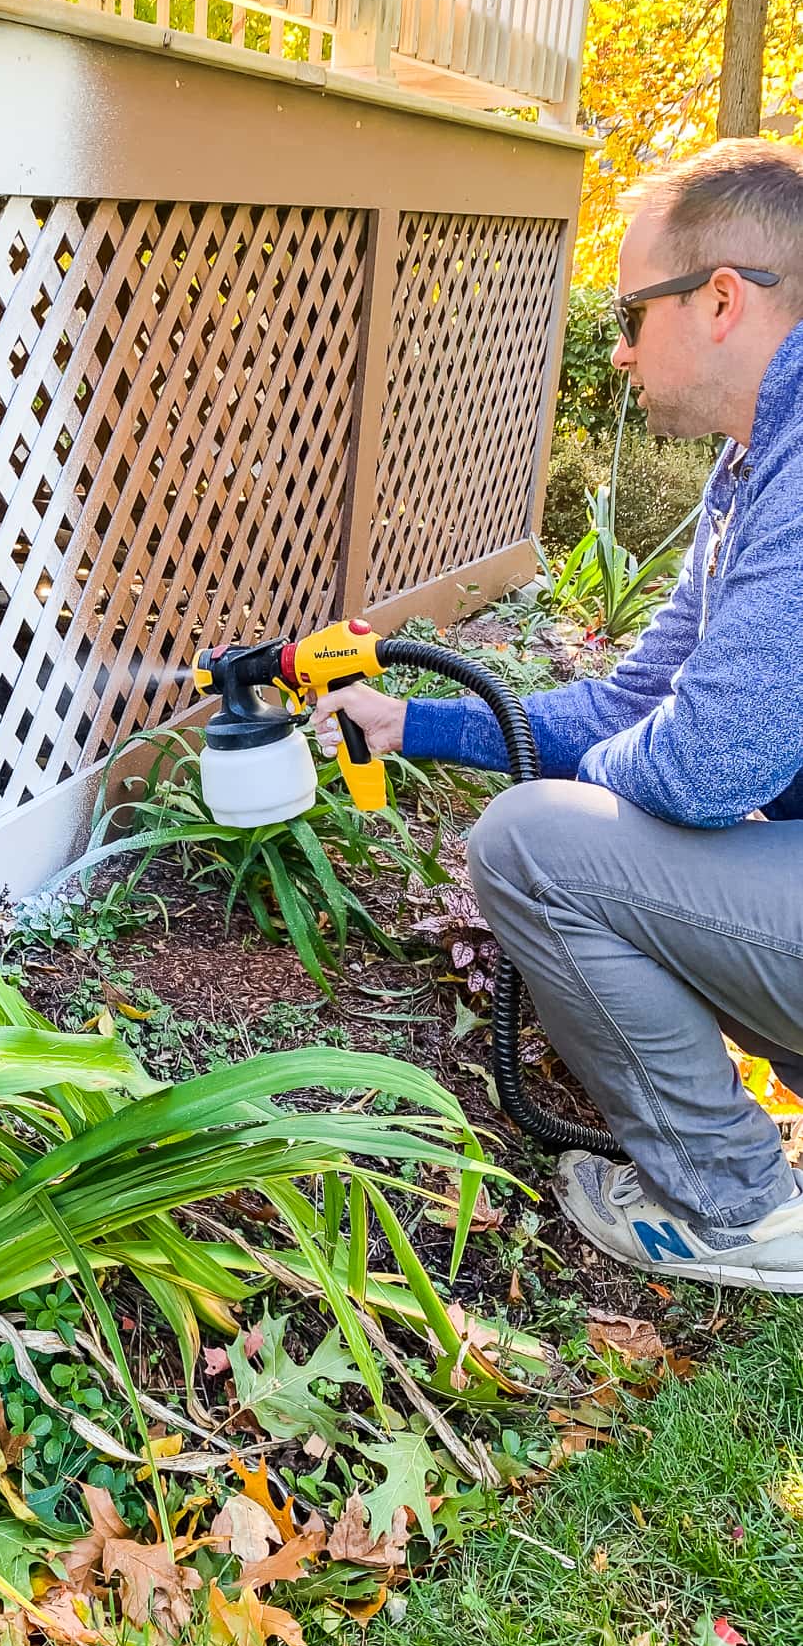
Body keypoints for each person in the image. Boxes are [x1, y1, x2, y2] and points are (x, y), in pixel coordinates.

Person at [313, 139, 803, 1292]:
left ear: (721, 299)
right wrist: (414, 725)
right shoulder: (753, 470)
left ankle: (741, 1211)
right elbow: (642, 704)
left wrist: (586, 800)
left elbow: (700, 765)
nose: (623, 346)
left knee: (532, 845)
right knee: (587, 831)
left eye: (636, 311)